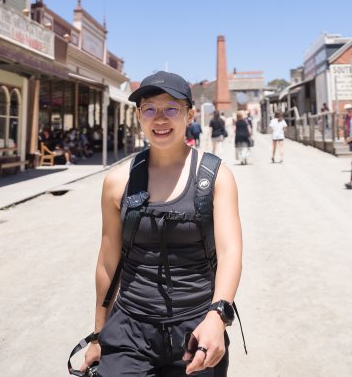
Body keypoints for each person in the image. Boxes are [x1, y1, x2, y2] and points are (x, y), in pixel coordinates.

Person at [80, 72, 242, 376]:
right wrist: (98, 334)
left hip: (197, 328)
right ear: (139, 116)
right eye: (149, 109)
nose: (160, 118)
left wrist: (218, 316)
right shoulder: (117, 182)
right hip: (130, 330)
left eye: (171, 108)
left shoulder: (216, 178)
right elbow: (107, 261)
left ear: (189, 115)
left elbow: (230, 253)